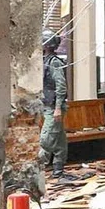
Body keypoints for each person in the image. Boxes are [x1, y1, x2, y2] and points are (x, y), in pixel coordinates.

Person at [39, 29, 69, 178]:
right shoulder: (45, 60)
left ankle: (36, 171)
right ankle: (58, 172)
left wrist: (57, 108)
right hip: (48, 106)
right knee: (59, 142)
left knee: (46, 139)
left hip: (54, 108)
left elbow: (61, 86)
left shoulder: (54, 62)